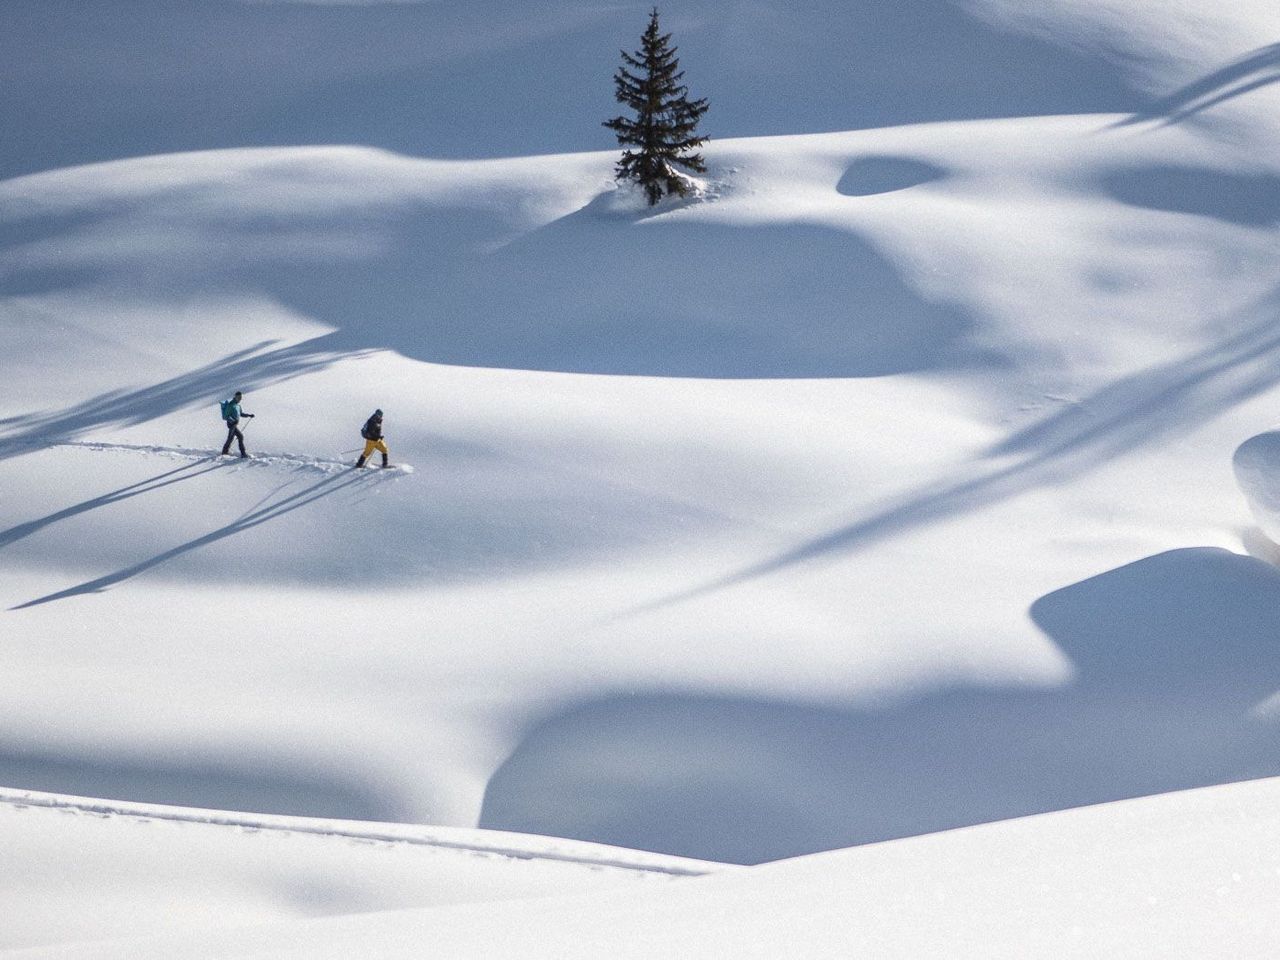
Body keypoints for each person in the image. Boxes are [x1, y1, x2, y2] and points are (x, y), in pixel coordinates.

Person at [219, 390, 254, 458]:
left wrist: (249, 415)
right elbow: (226, 416)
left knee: (231, 438)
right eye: (238, 398)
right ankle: (243, 453)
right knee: (240, 436)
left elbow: (241, 414)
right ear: (235, 397)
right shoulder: (231, 405)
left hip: (234, 424)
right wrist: (232, 421)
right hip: (231, 424)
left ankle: (224, 452)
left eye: (240, 398)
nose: (240, 399)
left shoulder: (238, 406)